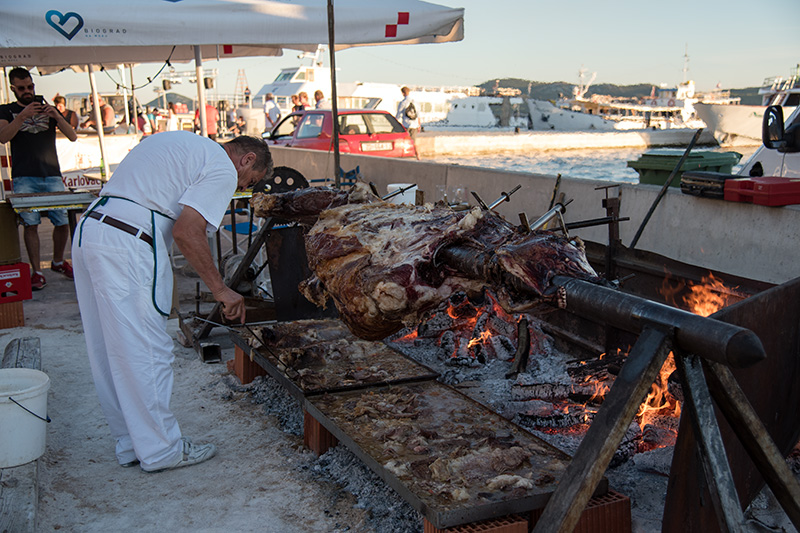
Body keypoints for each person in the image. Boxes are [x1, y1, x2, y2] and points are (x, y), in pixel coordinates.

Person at [72, 132, 272, 473]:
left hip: (92, 230)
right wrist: (222, 290)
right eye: (249, 181)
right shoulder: (222, 167)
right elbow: (186, 231)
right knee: (148, 350)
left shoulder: (183, 143)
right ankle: (162, 450)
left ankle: (131, 442)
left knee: (109, 348)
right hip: (129, 241)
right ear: (247, 159)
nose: (241, 186)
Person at [0, 67, 78, 290]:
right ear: (13, 89)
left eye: (30, 87)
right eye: (22, 88)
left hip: (51, 173)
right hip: (24, 175)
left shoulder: (47, 109)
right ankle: (36, 271)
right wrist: (23, 115)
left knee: (62, 221)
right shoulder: (6, 110)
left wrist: (55, 115)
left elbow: (72, 136)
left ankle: (57, 261)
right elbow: (3, 137)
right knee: (30, 224)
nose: (27, 92)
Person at [396, 86, 421, 160]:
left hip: (406, 125)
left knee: (405, 141)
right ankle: (418, 156)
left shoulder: (403, 103)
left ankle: (407, 155)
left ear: (403, 93)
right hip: (415, 125)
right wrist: (419, 125)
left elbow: (398, 115)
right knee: (414, 142)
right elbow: (418, 115)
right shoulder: (416, 102)